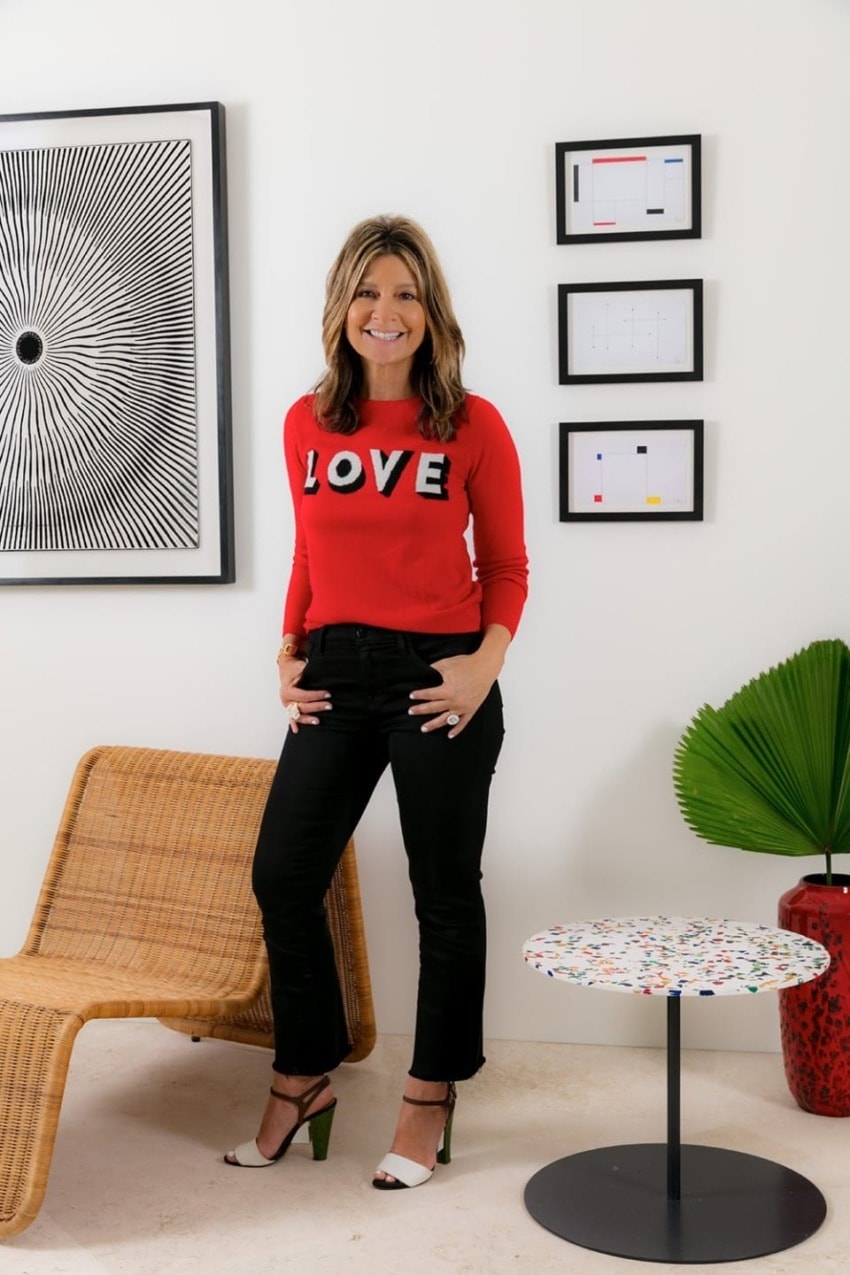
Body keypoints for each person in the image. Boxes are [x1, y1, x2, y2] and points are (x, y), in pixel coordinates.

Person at [224, 215, 528, 1189]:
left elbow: (509, 567)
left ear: (431, 312)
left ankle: (429, 1095)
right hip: (333, 671)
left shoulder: (472, 425)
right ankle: (304, 1074)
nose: (384, 312)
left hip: (442, 675)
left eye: (404, 294)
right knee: (282, 874)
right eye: (367, 292)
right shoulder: (306, 423)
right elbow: (312, 552)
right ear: (341, 309)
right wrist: (286, 653)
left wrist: (483, 667)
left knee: (443, 894)